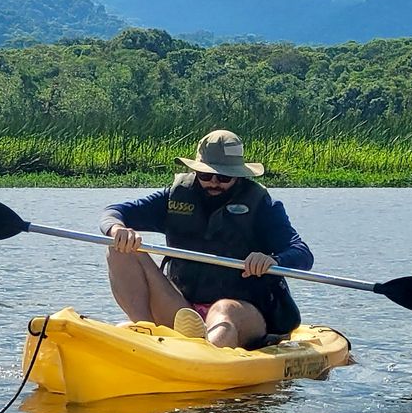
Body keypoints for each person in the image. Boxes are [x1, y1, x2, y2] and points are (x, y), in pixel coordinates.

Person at [100, 129, 313, 349]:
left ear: (238, 175)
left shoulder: (263, 206)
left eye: (223, 177)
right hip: (183, 309)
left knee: (224, 310)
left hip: (243, 311)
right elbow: (115, 211)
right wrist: (117, 229)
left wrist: (273, 260)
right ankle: (146, 332)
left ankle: (205, 354)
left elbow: (302, 253)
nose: (214, 182)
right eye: (205, 175)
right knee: (118, 248)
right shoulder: (175, 196)